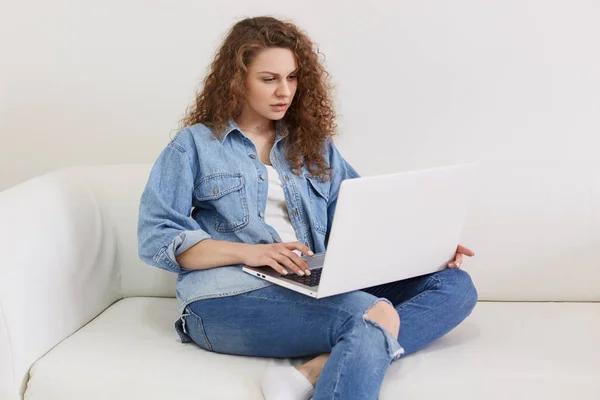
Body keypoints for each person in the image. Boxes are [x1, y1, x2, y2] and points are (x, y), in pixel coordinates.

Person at [137, 15, 478, 400]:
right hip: (224, 297)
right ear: (237, 79)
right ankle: (351, 348)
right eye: (269, 79)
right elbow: (156, 237)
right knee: (370, 313)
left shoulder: (314, 146)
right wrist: (255, 252)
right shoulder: (195, 145)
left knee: (455, 286)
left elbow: (366, 217)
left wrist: (427, 247)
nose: (284, 91)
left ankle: (315, 370)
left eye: (293, 78)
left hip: (311, 280)